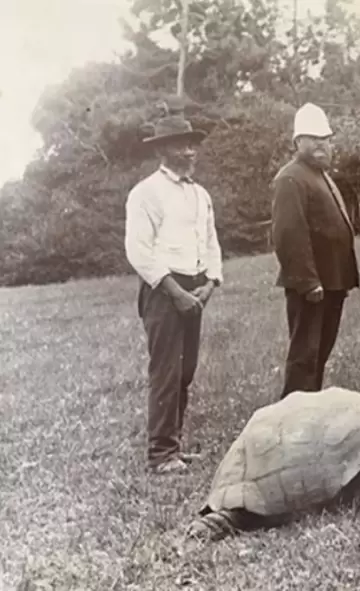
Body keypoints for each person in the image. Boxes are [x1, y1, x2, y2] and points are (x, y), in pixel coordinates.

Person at [124, 102, 223, 475]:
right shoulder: (146, 193)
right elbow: (138, 251)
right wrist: (175, 292)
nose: (189, 151)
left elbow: (211, 241)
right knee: (165, 371)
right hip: (163, 291)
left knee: (186, 370)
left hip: (195, 287)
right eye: (181, 145)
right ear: (161, 149)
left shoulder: (200, 194)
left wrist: (210, 283)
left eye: (192, 144)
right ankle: (161, 453)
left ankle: (174, 445)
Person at [271, 102, 359, 399]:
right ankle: (292, 419)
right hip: (311, 286)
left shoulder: (319, 175)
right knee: (304, 357)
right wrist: (309, 282)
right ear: (298, 142)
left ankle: (310, 414)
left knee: (319, 354)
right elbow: (288, 235)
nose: (321, 144)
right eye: (313, 138)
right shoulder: (290, 178)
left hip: (333, 281)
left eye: (326, 138)